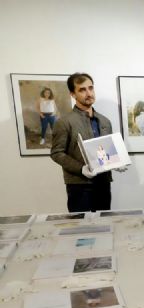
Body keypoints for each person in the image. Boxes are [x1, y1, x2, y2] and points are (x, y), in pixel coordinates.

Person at [51, 73, 116, 212]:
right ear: (73, 94)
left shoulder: (105, 121)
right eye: (82, 90)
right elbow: (56, 153)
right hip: (79, 186)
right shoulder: (64, 122)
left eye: (90, 88)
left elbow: (106, 150)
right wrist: (81, 169)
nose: (88, 93)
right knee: (80, 230)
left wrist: (116, 161)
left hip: (103, 183)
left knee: (105, 227)